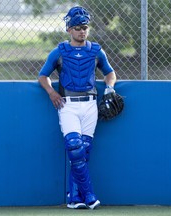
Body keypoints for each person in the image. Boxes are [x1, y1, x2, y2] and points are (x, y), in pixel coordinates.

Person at [38, 6, 117, 210]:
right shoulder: (59, 52)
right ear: (69, 30)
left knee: (84, 152)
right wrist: (51, 92)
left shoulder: (96, 51)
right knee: (74, 147)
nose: (82, 31)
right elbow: (42, 76)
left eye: (85, 27)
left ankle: (74, 197)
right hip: (68, 105)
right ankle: (89, 194)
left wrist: (109, 88)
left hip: (90, 105)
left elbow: (110, 73)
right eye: (78, 27)